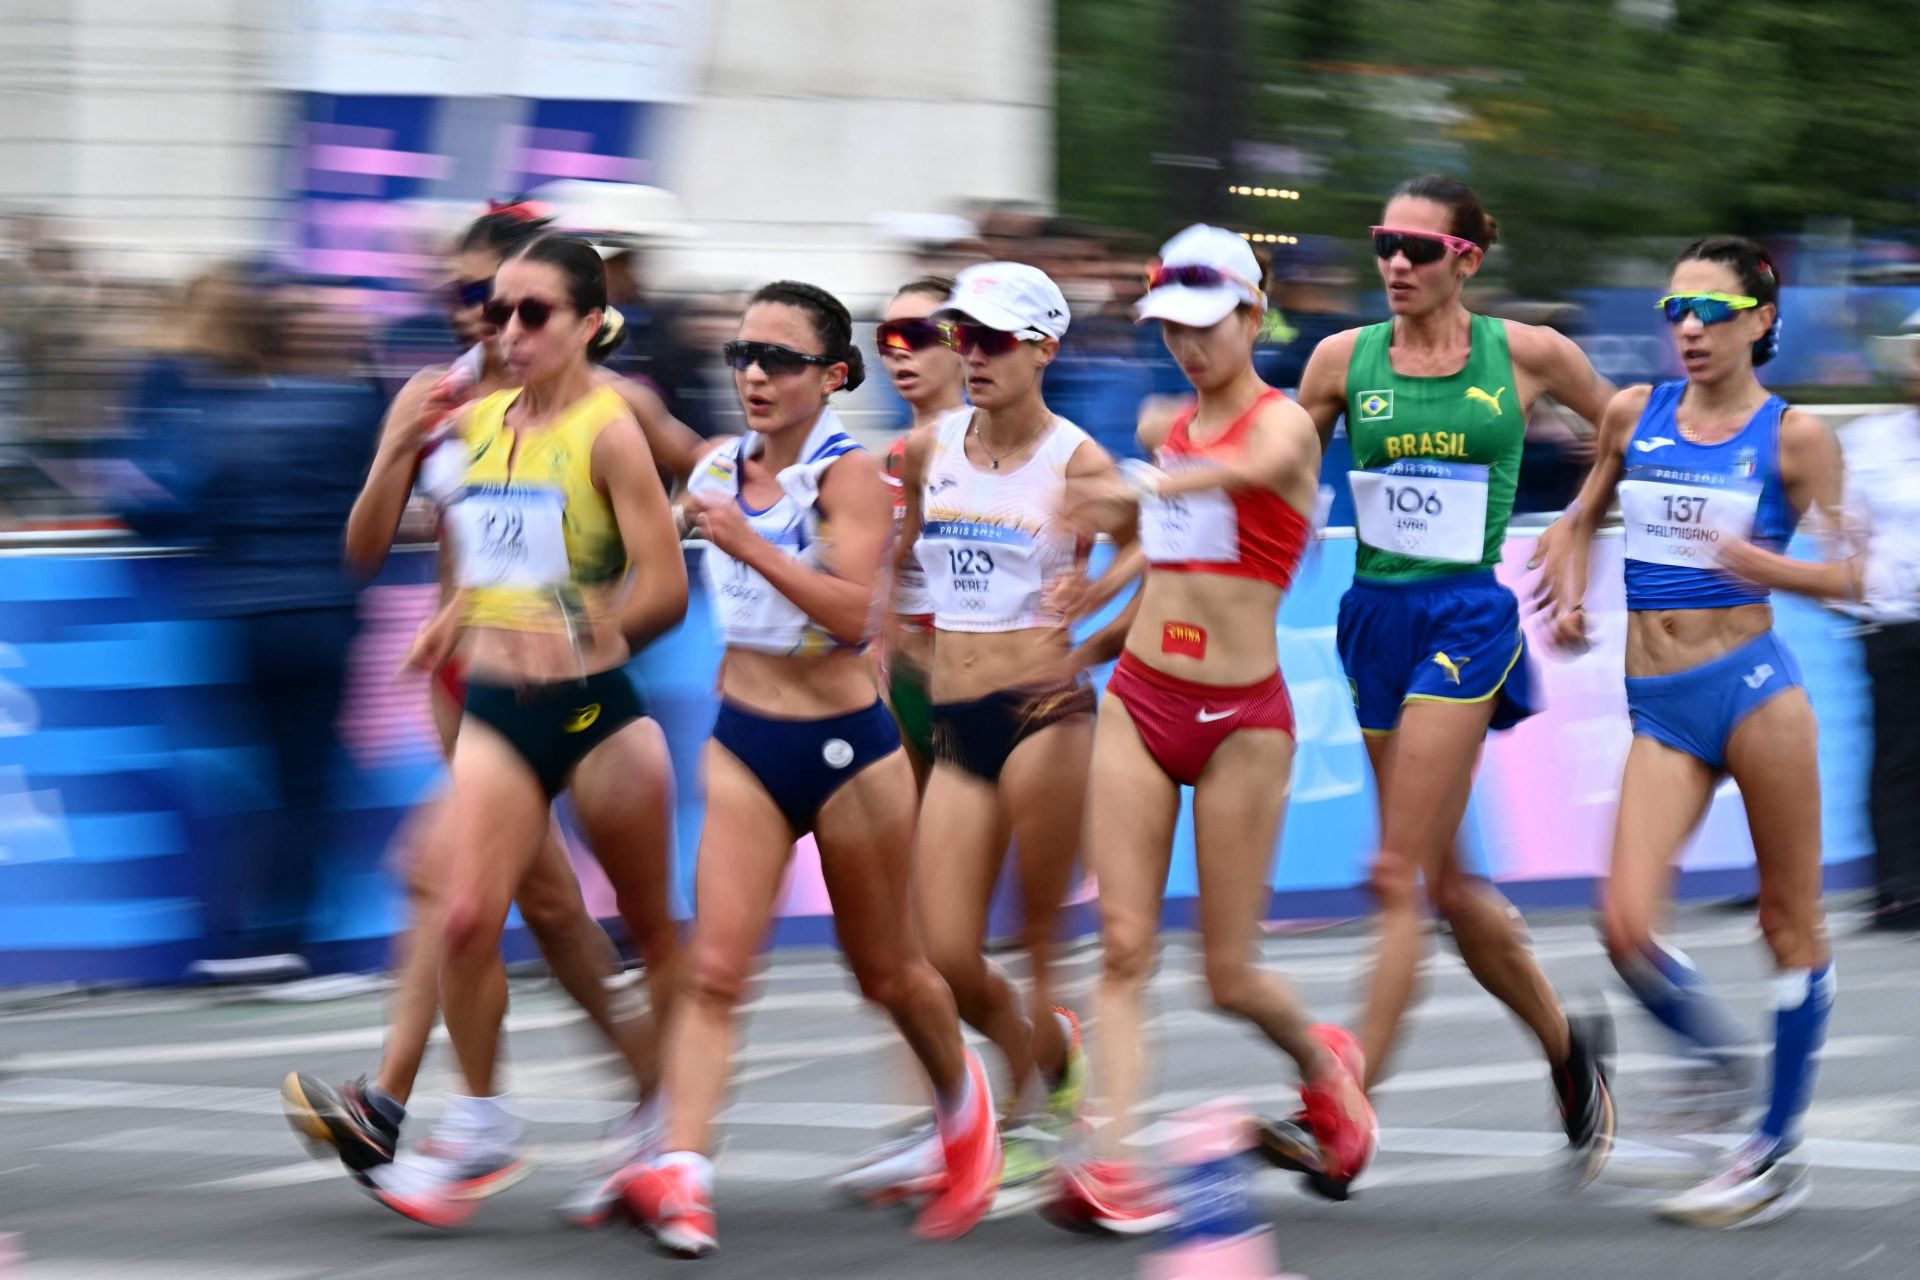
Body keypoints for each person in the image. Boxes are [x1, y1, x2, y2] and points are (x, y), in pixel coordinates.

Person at [280, 206, 698, 1230]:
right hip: (479, 698)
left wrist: (607, 610)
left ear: (580, 315)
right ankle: (479, 1114)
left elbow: (699, 485)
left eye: (504, 300)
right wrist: (393, 452)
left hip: (591, 697)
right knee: (493, 907)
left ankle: (658, 1120)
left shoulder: (615, 406)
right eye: (469, 299)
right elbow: (386, 550)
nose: (482, 319)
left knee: (580, 916)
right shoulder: (458, 408)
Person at [619, 281, 1000, 1258]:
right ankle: (686, 1174)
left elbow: (848, 615)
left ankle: (963, 1103)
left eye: (778, 359)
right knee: (714, 971)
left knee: (886, 972)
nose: (753, 374)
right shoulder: (711, 464)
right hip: (745, 739)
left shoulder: (852, 474)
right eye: (741, 354)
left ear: (831, 376)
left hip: (846, 753)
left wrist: (745, 539)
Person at [1037, 225, 1373, 1232]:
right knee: (1124, 946)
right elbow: (1161, 557)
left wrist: (1135, 484)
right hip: (1143, 698)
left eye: (1203, 324)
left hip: (1242, 721)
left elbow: (1241, 472)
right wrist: (1085, 626)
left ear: (1252, 314)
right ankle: (1111, 1161)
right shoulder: (1167, 427)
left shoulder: (1282, 428)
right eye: (1168, 329)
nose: (1185, 347)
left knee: (1228, 974)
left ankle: (1323, 1060)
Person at [1291, 174, 1616, 1192]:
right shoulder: (1342, 359)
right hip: (1372, 618)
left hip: (1467, 619)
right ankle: (1570, 1051)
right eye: (1384, 241)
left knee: (1394, 872)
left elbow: (1633, 428)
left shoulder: (1527, 355)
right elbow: (1279, 469)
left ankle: (1343, 1110)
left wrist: (1576, 525)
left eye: (1418, 249)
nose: (1394, 261)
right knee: (1453, 886)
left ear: (1465, 259)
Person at [1534, 237, 1847, 1226]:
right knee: (1624, 925)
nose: (1689, 327)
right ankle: (1717, 1053)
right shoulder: (1635, 412)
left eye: (1712, 311)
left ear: (1760, 319)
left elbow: (1849, 573)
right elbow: (1581, 516)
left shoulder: (1795, 437)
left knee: (1788, 922)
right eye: (1677, 307)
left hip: (1754, 692)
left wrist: (1761, 560)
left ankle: (1774, 1150)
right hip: (1660, 705)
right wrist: (1573, 583)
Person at [834, 262, 1109, 1211]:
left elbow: (1163, 532)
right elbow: (906, 547)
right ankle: (1047, 1054)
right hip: (956, 720)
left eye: (993, 341)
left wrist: (1098, 597)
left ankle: (1046, 1123)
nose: (972, 356)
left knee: (1039, 939)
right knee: (945, 953)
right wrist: (891, 631)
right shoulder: (926, 448)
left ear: (1044, 350)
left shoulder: (1078, 458)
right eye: (964, 337)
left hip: (1045, 714)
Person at [1829, 323, 1920, 931]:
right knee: (1898, 757)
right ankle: (1899, 888)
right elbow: (1839, 525)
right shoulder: (1869, 441)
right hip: (1895, 622)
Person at [874, 276, 964, 789]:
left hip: (976, 691)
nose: (899, 353)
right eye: (888, 339)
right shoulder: (877, 463)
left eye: (916, 335)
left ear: (962, 343)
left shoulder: (1003, 454)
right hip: (897, 689)